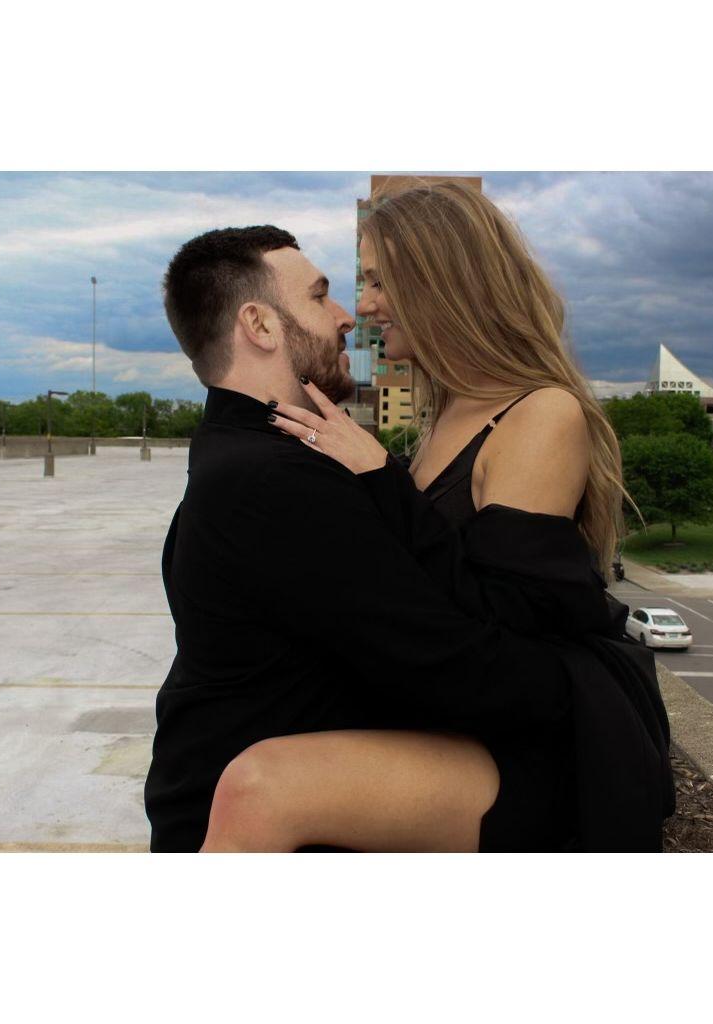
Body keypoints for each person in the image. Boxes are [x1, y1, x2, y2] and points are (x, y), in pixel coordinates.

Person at [144, 202, 672, 853]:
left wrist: (382, 479)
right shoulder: (333, 451)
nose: (357, 309)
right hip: (430, 734)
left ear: (440, 281)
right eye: (331, 292)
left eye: (376, 281)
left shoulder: (535, 414)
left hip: (532, 728)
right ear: (258, 324)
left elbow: (507, 616)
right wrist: (385, 477)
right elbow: (426, 627)